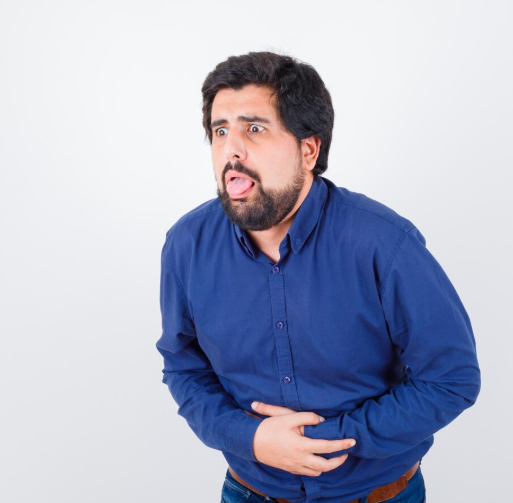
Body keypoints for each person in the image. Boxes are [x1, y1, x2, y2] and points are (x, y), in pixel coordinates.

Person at [155, 51, 481, 503]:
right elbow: (184, 366)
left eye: (254, 129)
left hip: (378, 495)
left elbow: (451, 378)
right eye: (220, 130)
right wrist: (252, 438)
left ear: (308, 150)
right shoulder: (186, 245)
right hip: (250, 491)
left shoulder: (384, 244)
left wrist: (327, 438)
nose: (231, 150)